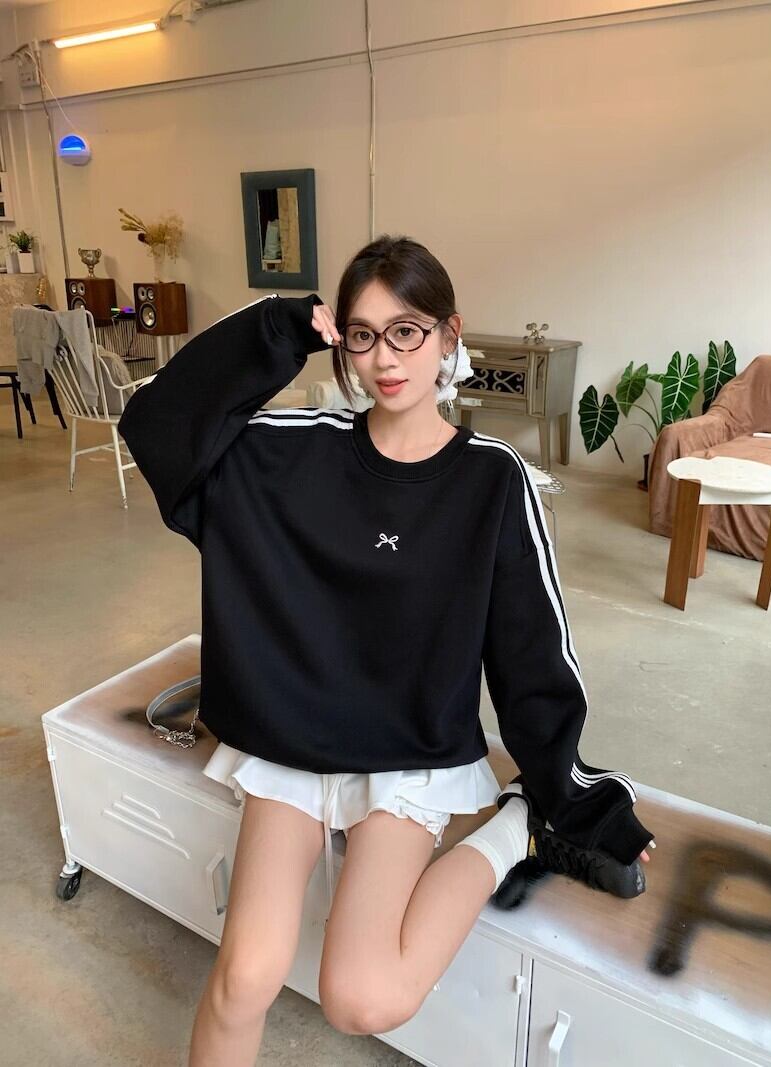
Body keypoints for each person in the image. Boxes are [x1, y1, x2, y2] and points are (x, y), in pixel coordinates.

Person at [118, 234, 654, 1066]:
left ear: (449, 334)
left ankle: (516, 828)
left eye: (407, 331)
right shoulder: (288, 451)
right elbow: (156, 425)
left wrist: (573, 797)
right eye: (363, 335)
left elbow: (532, 652)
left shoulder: (491, 479)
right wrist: (277, 329)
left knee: (362, 996)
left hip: (408, 755)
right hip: (290, 742)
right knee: (244, 977)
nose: (386, 358)